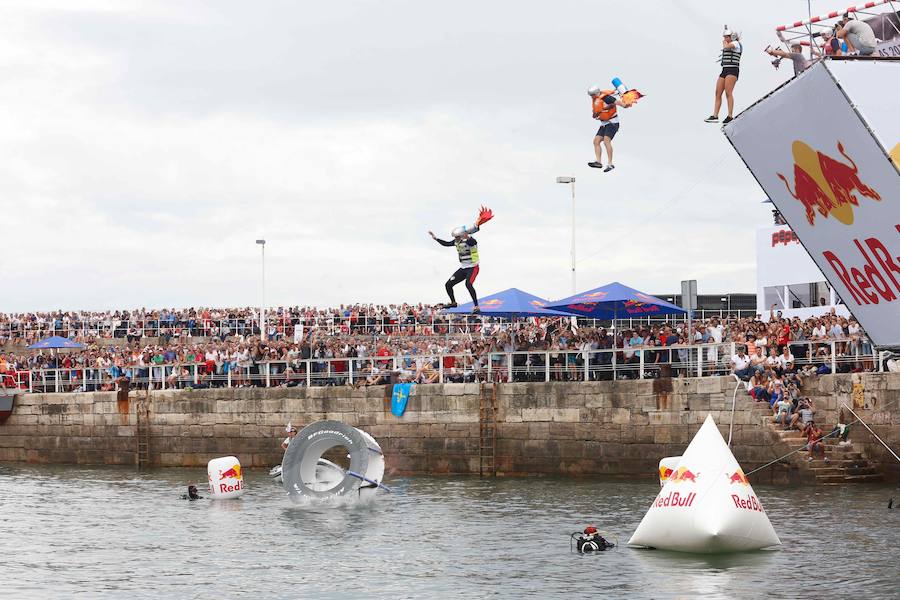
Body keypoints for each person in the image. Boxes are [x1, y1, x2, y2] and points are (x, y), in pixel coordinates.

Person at [429, 207, 494, 313]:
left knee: (468, 284)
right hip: (463, 268)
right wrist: (436, 238)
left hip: (473, 267)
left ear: (462, 235)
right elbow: (446, 244)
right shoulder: (456, 242)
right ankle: (453, 302)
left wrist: (468, 235)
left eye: (457, 237)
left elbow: (472, 241)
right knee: (448, 284)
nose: (455, 239)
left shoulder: (471, 241)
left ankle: (476, 306)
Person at [587, 86, 628, 172]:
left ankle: (610, 164)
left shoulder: (607, 97)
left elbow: (620, 104)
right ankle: (598, 162)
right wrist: (596, 114)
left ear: (596, 93)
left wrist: (625, 104)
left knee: (606, 141)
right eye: (591, 96)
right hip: (604, 123)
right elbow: (596, 112)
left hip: (613, 123)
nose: (592, 97)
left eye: (593, 95)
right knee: (596, 141)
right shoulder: (596, 100)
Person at [705, 29, 742, 124]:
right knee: (718, 92)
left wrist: (725, 42)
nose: (725, 39)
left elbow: (726, 47)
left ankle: (730, 116)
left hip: (733, 70)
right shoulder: (728, 43)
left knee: (728, 92)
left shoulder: (736, 44)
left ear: (732, 37)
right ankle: (715, 115)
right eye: (725, 37)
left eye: (727, 37)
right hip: (725, 69)